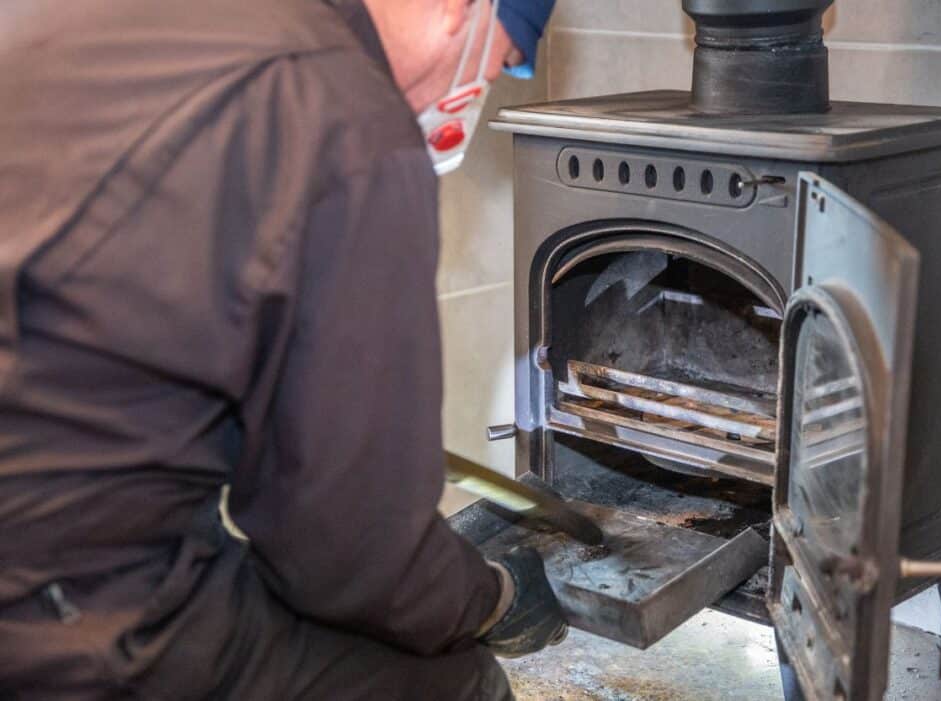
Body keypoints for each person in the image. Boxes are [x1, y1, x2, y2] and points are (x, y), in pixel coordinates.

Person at [0, 0, 561, 698]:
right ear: (456, 9)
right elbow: (344, 551)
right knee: (456, 680)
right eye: (500, 61)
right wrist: (491, 599)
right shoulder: (346, 117)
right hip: (51, 615)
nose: (472, 91)